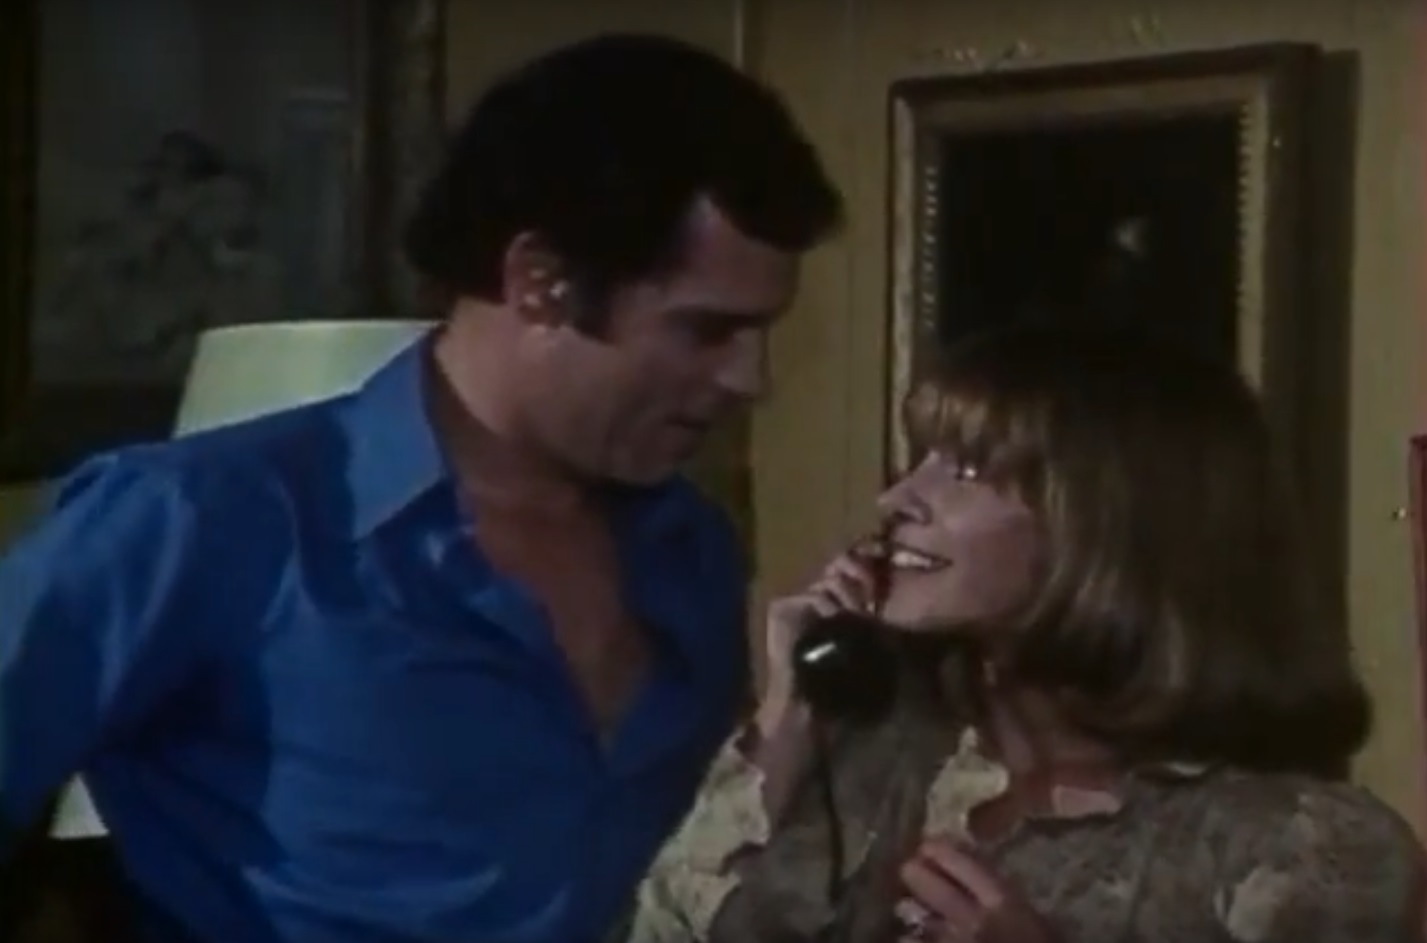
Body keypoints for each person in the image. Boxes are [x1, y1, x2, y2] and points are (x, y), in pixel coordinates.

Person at [0, 33, 841, 943]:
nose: (750, 379)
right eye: (706, 331)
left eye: (761, 333)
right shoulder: (195, 520)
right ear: (541, 283)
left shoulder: (692, 549)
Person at [627, 323, 1425, 943]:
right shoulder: (871, 766)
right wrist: (789, 716)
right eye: (920, 459)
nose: (896, 498)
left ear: (1105, 526)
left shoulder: (1301, 848)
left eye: (967, 470)